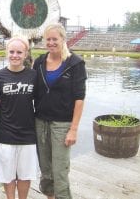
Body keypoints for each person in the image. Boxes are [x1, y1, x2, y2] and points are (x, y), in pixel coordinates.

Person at [33, 23, 87, 199]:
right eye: (48, 39)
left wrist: (74, 129)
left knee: (60, 171)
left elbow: (79, 98)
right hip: (40, 122)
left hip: (62, 125)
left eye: (54, 39)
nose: (51, 42)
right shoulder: (39, 62)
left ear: (63, 39)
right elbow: (31, 91)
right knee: (46, 171)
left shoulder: (75, 63)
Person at [0, 35, 39, 199]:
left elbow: (42, 100)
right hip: (6, 133)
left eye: (19, 52)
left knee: (25, 175)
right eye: (12, 51)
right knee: (7, 174)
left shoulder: (33, 76)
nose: (15, 55)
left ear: (25, 54)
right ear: (6, 53)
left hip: (28, 134)